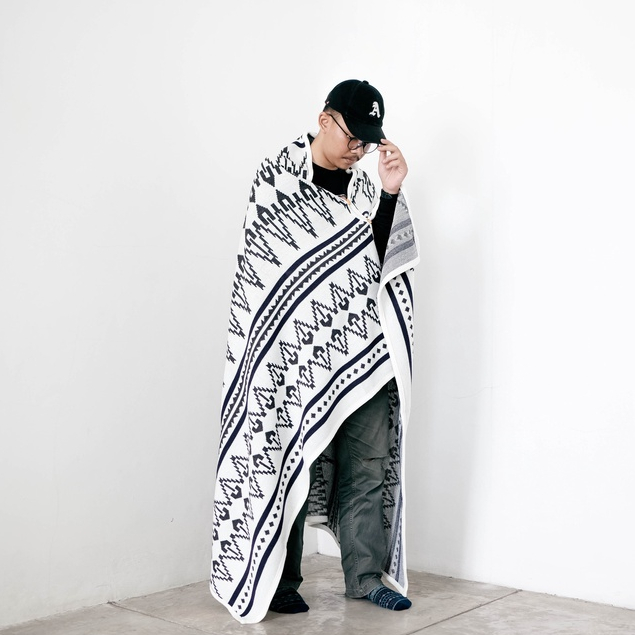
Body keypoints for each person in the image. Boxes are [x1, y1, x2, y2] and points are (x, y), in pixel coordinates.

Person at [210, 79, 419, 624]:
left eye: (369, 141)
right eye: (353, 137)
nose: (360, 150)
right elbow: (268, 283)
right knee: (287, 459)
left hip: (365, 352)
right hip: (292, 359)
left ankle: (366, 578)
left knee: (367, 465)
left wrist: (390, 192)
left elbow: (381, 267)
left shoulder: (367, 190)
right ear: (325, 120)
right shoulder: (277, 181)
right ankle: (280, 581)